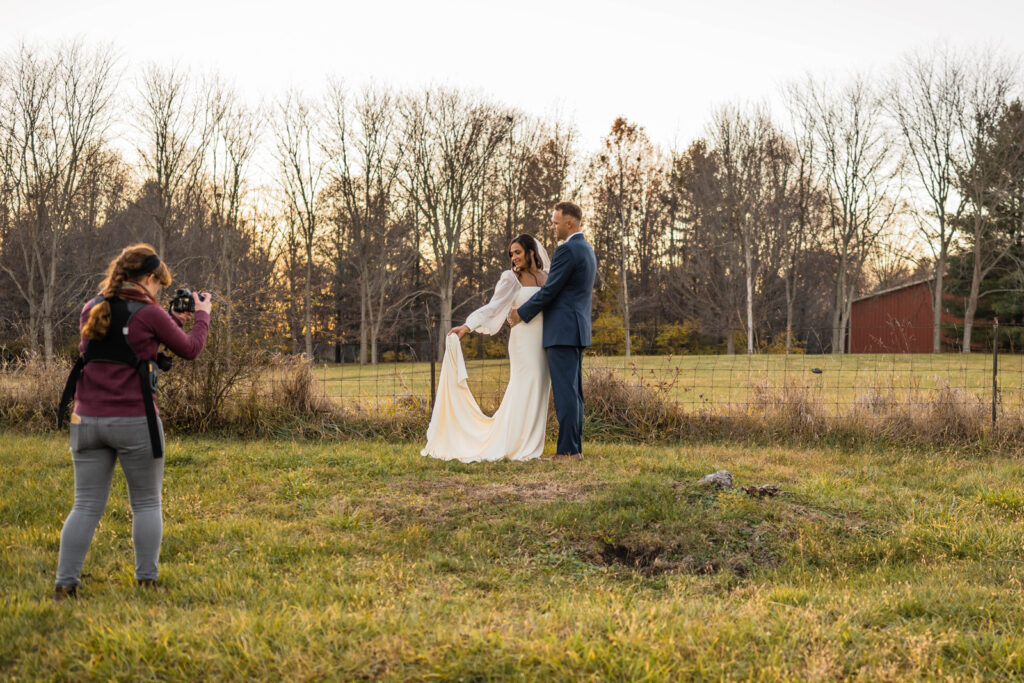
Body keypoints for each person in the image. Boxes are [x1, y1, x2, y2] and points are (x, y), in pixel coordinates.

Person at [53, 244, 212, 601]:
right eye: (160, 286)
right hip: (134, 420)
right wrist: (202, 315)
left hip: (86, 421)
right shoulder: (150, 313)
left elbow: (125, 339)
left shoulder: (92, 308)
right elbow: (189, 349)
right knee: (146, 503)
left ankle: (65, 585)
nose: (159, 294)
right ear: (151, 279)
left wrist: (167, 318)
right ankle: (146, 581)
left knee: (85, 506)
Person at [421, 233, 551, 462]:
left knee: (541, 386)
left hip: (543, 341)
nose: (514, 258)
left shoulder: (547, 276)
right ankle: (515, 444)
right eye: (511, 254)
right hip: (523, 342)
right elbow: (493, 307)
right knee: (523, 387)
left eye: (518, 252)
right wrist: (467, 326)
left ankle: (532, 442)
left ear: (532, 252)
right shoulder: (511, 278)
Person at [509, 201, 596, 460]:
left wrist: (521, 313)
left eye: (556, 222)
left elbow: (550, 291)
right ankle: (575, 449)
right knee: (575, 393)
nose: (553, 227)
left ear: (570, 223)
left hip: (562, 331)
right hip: (577, 329)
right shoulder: (587, 249)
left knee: (565, 393)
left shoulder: (567, 251)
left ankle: (568, 452)